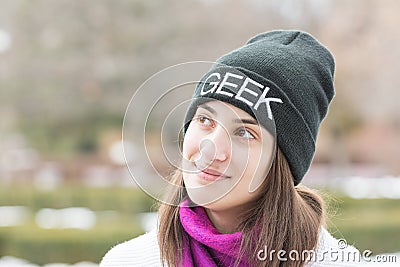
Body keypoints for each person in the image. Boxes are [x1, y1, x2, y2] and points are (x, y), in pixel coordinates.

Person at [100, 30, 361, 267]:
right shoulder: (127, 262)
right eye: (205, 120)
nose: (211, 149)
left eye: (245, 132)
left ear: (283, 161)